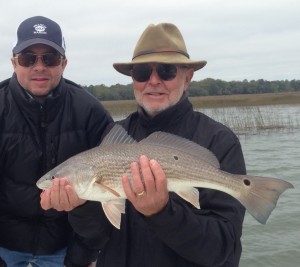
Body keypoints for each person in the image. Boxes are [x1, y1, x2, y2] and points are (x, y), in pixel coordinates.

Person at [41, 23, 246, 267]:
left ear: (188, 77)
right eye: (141, 73)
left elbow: (224, 251)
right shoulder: (114, 133)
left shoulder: (219, 141)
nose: (154, 81)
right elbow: (96, 237)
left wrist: (161, 212)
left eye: (167, 71)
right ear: (133, 79)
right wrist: (80, 207)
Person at [0, 16, 113, 267]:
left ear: (63, 63)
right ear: (14, 63)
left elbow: (110, 193)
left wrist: (82, 256)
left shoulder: (90, 111)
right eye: (28, 58)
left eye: (49, 58)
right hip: (4, 248)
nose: (39, 66)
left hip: (65, 250)